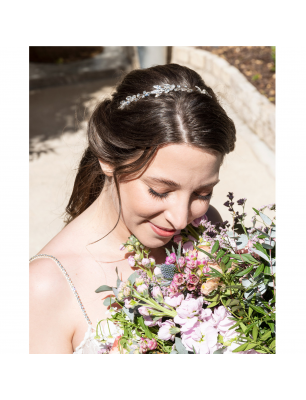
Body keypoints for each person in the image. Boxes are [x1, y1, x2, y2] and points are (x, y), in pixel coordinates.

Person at [29, 63, 236, 354]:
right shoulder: (43, 288)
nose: (180, 220)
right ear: (108, 159)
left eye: (203, 192)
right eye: (160, 191)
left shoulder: (205, 227)